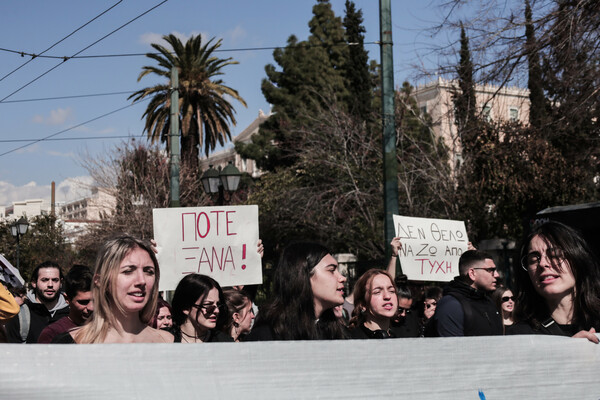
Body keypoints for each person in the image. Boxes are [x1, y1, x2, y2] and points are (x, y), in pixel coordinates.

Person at [58, 236, 173, 343]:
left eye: (149, 271)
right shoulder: (70, 343)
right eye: (128, 271)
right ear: (101, 280)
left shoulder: (170, 341)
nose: (141, 280)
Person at [509, 221, 600, 343]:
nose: (542, 264)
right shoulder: (520, 336)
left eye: (554, 255)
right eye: (533, 259)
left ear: (578, 259)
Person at [245, 242, 348, 341]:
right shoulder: (267, 335)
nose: (343, 278)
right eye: (331, 270)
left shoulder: (338, 334)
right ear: (304, 276)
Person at [432, 250, 503, 336]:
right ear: (472, 273)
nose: (496, 275)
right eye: (490, 270)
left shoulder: (488, 301)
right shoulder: (451, 305)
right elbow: (451, 347)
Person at [5, 261, 70, 343]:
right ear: (34, 283)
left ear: (61, 283)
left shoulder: (72, 313)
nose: (50, 284)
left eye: (55, 280)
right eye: (44, 280)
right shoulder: (20, 315)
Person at [38, 265, 94, 343]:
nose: (91, 307)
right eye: (83, 302)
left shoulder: (108, 329)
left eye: (95, 301)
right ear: (67, 299)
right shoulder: (52, 334)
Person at [170, 274, 232, 343]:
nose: (217, 310)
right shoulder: (164, 339)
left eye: (218, 305)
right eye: (208, 305)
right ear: (186, 308)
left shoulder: (224, 342)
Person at [349, 269, 398, 339]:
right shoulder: (352, 340)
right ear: (363, 304)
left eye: (391, 291)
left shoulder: (401, 339)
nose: (387, 296)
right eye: (377, 292)